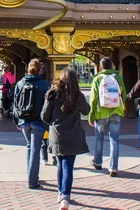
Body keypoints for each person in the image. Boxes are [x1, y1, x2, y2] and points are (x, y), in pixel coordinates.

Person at [42, 68, 90, 209]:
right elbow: (86, 110)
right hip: (73, 134)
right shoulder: (76, 95)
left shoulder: (52, 93)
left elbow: (44, 116)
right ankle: (65, 196)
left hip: (57, 134)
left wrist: (54, 122)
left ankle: (60, 192)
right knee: (68, 165)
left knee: (60, 164)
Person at [13, 58, 50, 189]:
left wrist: (17, 120)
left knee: (30, 147)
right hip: (38, 121)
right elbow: (48, 104)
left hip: (24, 120)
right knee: (35, 149)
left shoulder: (20, 83)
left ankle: (31, 175)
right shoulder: (43, 84)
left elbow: (15, 103)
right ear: (39, 70)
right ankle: (32, 180)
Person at [88, 57, 126, 177]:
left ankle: (98, 162)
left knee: (99, 138)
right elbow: (123, 95)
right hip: (115, 112)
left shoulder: (97, 78)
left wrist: (91, 116)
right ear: (112, 66)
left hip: (101, 113)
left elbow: (93, 99)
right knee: (114, 139)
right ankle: (113, 167)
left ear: (100, 67)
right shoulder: (118, 77)